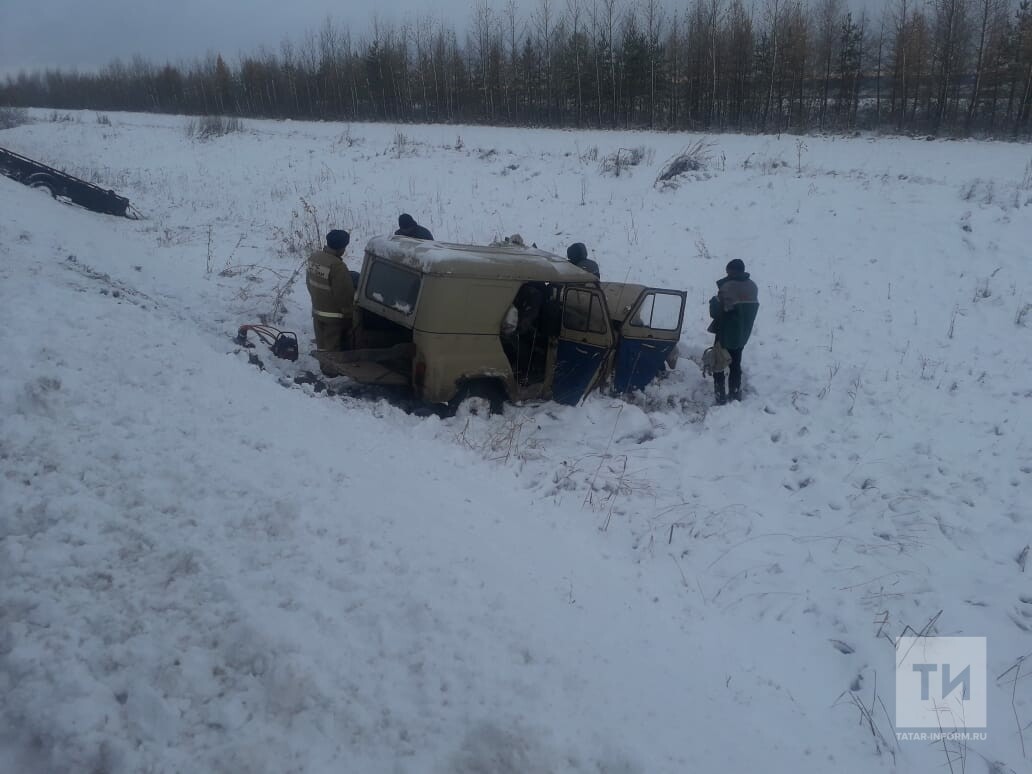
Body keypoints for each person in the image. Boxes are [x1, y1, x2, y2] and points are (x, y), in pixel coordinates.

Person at [707, 258, 759, 404]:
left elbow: (715, 312)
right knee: (735, 365)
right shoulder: (753, 286)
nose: (727, 274)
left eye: (728, 271)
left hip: (726, 334)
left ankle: (720, 397)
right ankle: (735, 395)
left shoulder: (728, 287)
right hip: (742, 334)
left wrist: (714, 301)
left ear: (733, 271)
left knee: (719, 363)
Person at [306, 229, 355, 352]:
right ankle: (331, 371)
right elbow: (343, 294)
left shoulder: (314, 257)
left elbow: (309, 283)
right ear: (341, 249)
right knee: (333, 348)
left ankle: (324, 367)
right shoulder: (337, 266)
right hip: (334, 317)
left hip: (317, 311)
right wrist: (349, 314)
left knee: (322, 345)